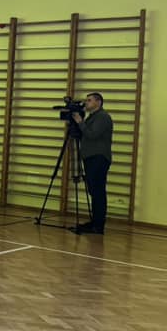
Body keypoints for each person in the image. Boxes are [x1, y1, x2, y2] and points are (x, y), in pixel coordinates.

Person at [71, 92, 114, 235]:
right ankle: (95, 222)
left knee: (98, 192)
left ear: (98, 102)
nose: (86, 102)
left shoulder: (102, 117)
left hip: (98, 158)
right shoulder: (93, 117)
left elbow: (92, 134)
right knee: (94, 191)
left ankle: (98, 225)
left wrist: (80, 122)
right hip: (91, 157)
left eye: (89, 100)